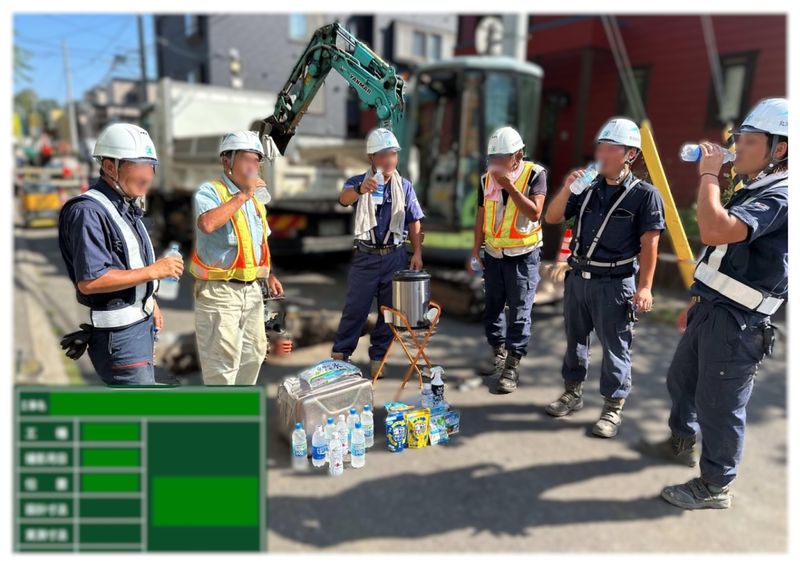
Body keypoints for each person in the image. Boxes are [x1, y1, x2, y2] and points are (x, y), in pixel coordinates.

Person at [645, 98, 787, 510]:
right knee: (682, 380)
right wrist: (697, 299)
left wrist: (709, 173)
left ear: (779, 149)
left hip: (738, 323)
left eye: (749, 140)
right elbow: (721, 256)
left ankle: (715, 485)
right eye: (738, 138)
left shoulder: (781, 196)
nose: (737, 146)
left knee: (720, 405)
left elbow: (713, 231)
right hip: (712, 308)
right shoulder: (755, 187)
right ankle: (681, 441)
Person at [543, 117, 666, 437]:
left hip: (615, 282)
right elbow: (552, 217)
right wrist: (567, 187)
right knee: (575, 340)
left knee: (615, 347)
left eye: (611, 149)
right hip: (578, 278)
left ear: (630, 155)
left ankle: (613, 408)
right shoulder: (587, 187)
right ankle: (572, 393)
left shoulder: (645, 195)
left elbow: (650, 244)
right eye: (601, 147)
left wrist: (645, 288)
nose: (602, 154)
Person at [58, 123, 182, 384]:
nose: (147, 176)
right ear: (109, 166)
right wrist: (154, 271)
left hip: (139, 327)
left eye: (151, 166)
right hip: (121, 337)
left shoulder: (125, 205)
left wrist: (150, 302)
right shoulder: (88, 212)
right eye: (139, 166)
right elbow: (91, 281)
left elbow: (129, 264)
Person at [331, 128, 424, 379]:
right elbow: (344, 199)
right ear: (371, 157)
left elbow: (414, 221)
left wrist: (417, 252)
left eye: (393, 154)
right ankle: (340, 356)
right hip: (366, 255)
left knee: (389, 312)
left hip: (395, 256)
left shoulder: (404, 186)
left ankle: (378, 359)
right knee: (355, 308)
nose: (389, 160)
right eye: (383, 155)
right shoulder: (359, 181)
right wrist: (361, 189)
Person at [190, 131, 283, 385]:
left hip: (251, 291)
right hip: (219, 292)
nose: (253, 166)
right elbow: (207, 224)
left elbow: (259, 243)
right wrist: (242, 195)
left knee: (254, 355)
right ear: (227, 162)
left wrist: (269, 274)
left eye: (257, 160)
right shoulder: (211, 191)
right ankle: (224, 411)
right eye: (246, 159)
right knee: (223, 365)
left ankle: (240, 406)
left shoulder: (255, 200)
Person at [467, 126, 547, 393]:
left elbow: (535, 213)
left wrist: (510, 186)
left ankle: (512, 365)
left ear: (518, 156)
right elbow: (481, 215)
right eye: (492, 158)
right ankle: (498, 353)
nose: (496, 164)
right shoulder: (485, 180)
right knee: (492, 308)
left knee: (520, 312)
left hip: (523, 256)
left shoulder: (535, 174)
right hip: (493, 254)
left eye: (501, 158)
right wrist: (475, 249)